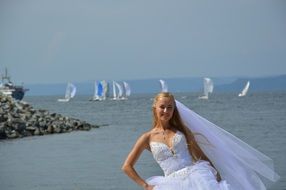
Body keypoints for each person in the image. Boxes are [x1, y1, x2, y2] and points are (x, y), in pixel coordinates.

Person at [122, 92, 280, 190]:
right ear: (155, 108)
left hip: (198, 178)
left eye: (170, 107)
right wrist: (145, 185)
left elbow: (200, 155)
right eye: (162, 107)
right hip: (169, 184)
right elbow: (127, 167)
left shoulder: (182, 132)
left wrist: (216, 176)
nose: (166, 111)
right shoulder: (146, 137)